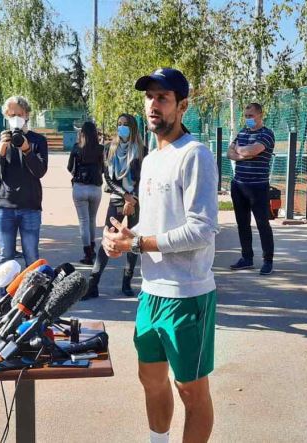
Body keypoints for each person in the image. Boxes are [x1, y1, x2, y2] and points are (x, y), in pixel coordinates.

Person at [102, 68, 219, 443]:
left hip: (187, 295)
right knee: (150, 380)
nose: (153, 104)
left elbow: (201, 230)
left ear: (182, 106)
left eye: (163, 98)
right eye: (149, 96)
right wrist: (121, 239)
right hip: (151, 293)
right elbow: (151, 226)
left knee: (192, 392)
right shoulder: (151, 159)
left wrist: (137, 244)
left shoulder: (195, 155)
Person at [83, 113, 146, 300]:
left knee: (133, 241)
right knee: (108, 239)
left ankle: (127, 282)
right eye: (119, 124)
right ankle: (93, 284)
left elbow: (144, 178)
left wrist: (132, 199)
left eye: (125, 124)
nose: (121, 127)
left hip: (136, 201)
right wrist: (125, 196)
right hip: (118, 198)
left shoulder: (142, 150)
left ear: (132, 127)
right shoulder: (110, 148)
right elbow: (108, 178)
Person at [0, 96, 48, 266]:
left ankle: (32, 285)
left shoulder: (38, 140)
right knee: (6, 257)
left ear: (27, 115)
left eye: (19, 114)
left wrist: (27, 150)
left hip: (30, 205)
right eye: (12, 115)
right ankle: (7, 285)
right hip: (4, 205)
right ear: (6, 117)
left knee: (31, 256)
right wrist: (1, 150)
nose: (16, 118)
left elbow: (40, 171)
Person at [227, 102, 275, 275]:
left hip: (258, 187)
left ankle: (268, 261)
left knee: (262, 224)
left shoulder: (266, 134)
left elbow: (251, 151)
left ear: (260, 115)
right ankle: (247, 258)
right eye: (246, 116)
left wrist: (239, 150)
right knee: (242, 223)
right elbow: (229, 153)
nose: (248, 119)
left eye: (251, 116)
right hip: (238, 185)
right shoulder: (242, 132)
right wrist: (242, 154)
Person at [67, 121, 104, 266]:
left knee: (83, 221)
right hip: (95, 188)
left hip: (80, 187)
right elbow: (104, 168)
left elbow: (69, 167)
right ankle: (93, 248)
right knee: (92, 219)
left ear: (82, 133)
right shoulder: (101, 149)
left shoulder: (77, 148)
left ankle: (87, 254)